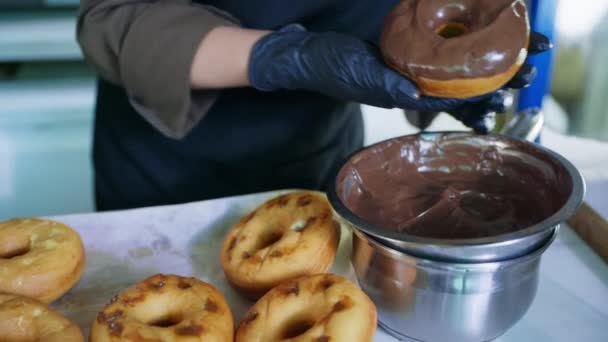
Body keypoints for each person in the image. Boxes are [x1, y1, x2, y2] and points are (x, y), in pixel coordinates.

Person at [76, 0, 551, 211]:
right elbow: (110, 19)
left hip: (317, 162)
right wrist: (285, 58)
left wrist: (452, 75)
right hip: (165, 170)